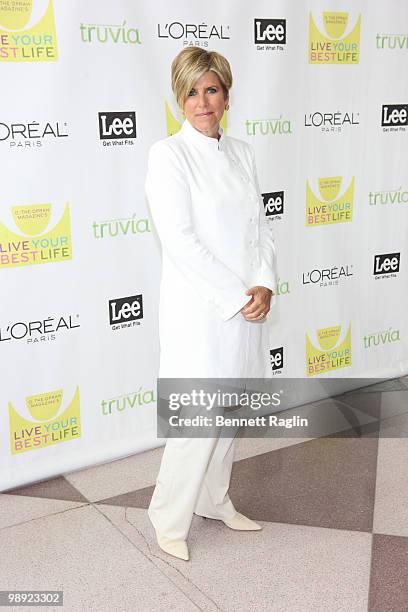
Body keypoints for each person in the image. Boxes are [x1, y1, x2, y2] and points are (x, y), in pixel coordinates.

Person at [145, 47, 277, 561]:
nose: (203, 101)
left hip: (246, 310)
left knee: (230, 417)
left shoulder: (242, 152)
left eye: (212, 89)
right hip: (200, 313)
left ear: (226, 93)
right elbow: (179, 240)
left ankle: (213, 500)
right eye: (193, 91)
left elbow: (260, 230)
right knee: (196, 423)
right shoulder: (168, 155)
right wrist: (235, 296)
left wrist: (264, 284)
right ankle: (167, 517)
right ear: (179, 97)